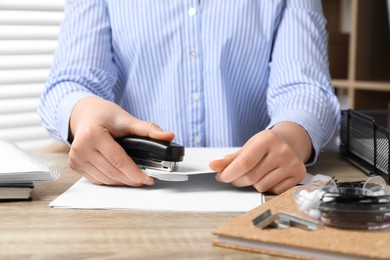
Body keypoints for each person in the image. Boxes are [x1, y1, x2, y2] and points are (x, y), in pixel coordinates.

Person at [38, 0, 340, 194]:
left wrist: (292, 137)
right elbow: (70, 83)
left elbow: (306, 86)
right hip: (131, 193)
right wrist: (84, 114)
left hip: (260, 190)